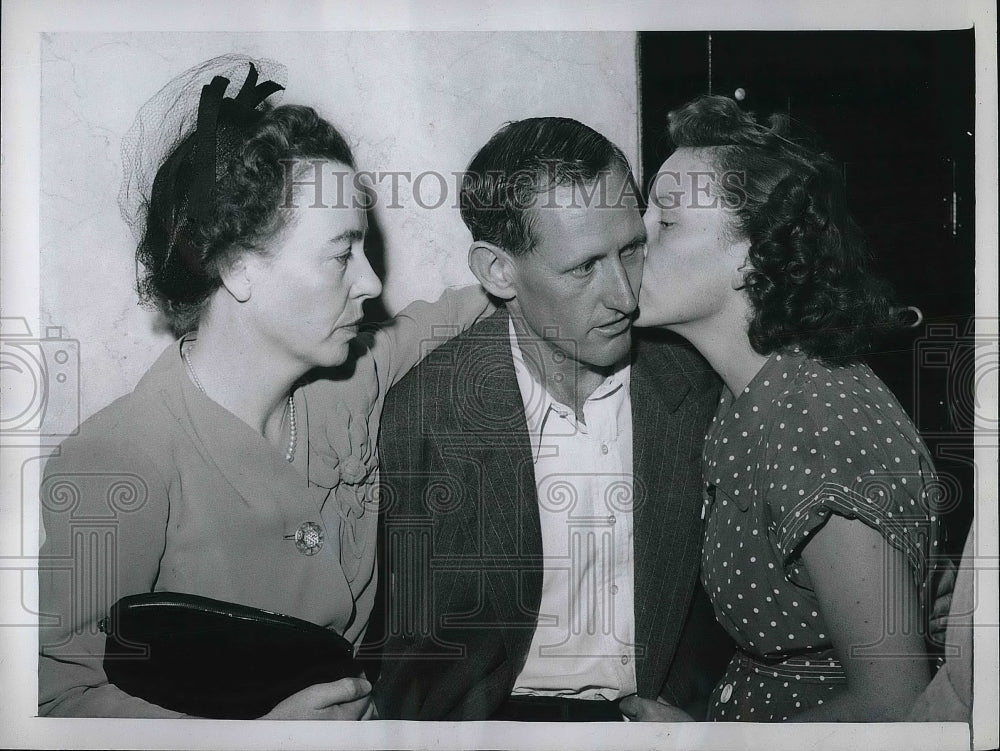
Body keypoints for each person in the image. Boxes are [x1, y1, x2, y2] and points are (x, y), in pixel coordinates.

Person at [37, 57, 490, 718]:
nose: (369, 283)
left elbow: (440, 319)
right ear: (240, 269)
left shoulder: (344, 384)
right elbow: (53, 696)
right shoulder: (119, 458)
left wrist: (544, 274)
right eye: (342, 254)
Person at [368, 117, 732, 721]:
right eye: (584, 266)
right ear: (497, 271)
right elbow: (408, 657)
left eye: (632, 250)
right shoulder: (427, 414)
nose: (624, 295)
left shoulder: (698, 384)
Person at [629, 94, 945, 722]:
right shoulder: (752, 391)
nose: (633, 239)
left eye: (665, 222)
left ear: (750, 254)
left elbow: (893, 703)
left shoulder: (814, 424)